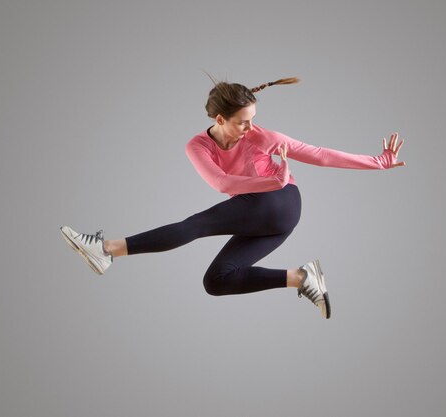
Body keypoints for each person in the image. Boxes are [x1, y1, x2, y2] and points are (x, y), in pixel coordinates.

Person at [60, 77, 405, 319]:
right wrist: (275, 180)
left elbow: (318, 154)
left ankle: (105, 250)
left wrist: (379, 162)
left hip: (282, 204)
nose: (251, 129)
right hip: (266, 209)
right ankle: (302, 278)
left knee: (196, 225)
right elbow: (223, 184)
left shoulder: (261, 137)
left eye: (253, 120)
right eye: (242, 123)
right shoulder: (198, 145)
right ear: (220, 119)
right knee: (217, 280)